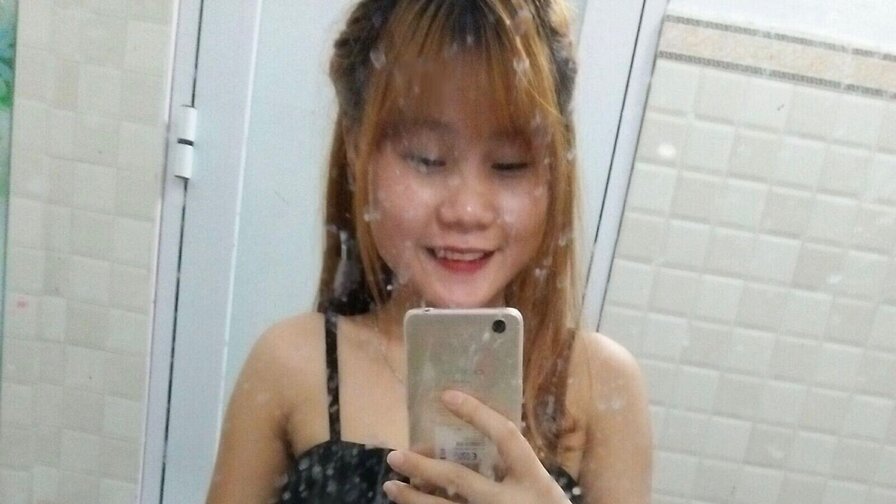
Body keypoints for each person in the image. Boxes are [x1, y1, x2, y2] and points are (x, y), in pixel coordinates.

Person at [206, 0, 652, 502]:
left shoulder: (598, 384)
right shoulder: (291, 364)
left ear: (555, 169)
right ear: (356, 148)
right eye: (427, 158)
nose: (467, 210)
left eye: (509, 164)